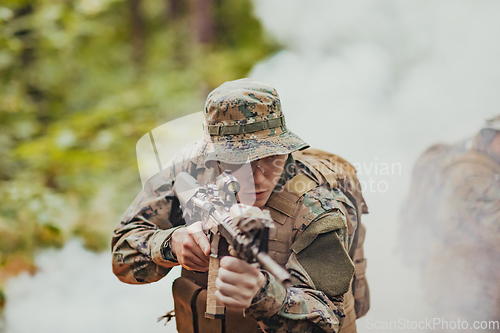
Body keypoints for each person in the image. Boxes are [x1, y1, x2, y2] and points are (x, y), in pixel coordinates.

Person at [112, 79, 369, 333]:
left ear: (284, 148)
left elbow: (326, 324)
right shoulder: (192, 172)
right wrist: (170, 244)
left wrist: (265, 297)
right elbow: (121, 254)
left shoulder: (317, 205)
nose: (256, 177)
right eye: (236, 160)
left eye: (269, 157)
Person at [400, 116, 500, 323]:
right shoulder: (471, 174)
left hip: (469, 283)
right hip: (462, 287)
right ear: (491, 138)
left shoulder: (477, 159)